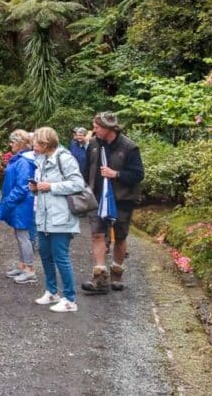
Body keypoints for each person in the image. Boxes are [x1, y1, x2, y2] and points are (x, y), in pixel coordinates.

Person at [81, 111, 145, 294]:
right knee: (97, 235)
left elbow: (138, 175)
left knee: (120, 236)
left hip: (122, 199)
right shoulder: (93, 144)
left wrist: (115, 174)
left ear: (109, 129)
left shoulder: (129, 147)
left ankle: (116, 271)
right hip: (97, 198)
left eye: (96, 127)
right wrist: (85, 188)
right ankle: (99, 276)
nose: (93, 130)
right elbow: (86, 169)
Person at [30, 126, 85, 312]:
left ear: (45, 144)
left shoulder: (65, 158)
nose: (33, 146)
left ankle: (70, 299)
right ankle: (52, 291)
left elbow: (78, 184)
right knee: (45, 254)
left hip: (61, 217)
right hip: (44, 217)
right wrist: (36, 188)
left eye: (35, 143)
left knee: (61, 257)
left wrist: (50, 186)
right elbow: (45, 186)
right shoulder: (42, 159)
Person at [0, 130, 37, 283]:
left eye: (13, 142)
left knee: (24, 236)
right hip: (18, 203)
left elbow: (22, 186)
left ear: (20, 143)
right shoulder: (20, 159)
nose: (10, 144)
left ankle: (30, 269)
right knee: (20, 235)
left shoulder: (24, 161)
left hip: (22, 204)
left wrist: (8, 201)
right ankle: (22, 265)